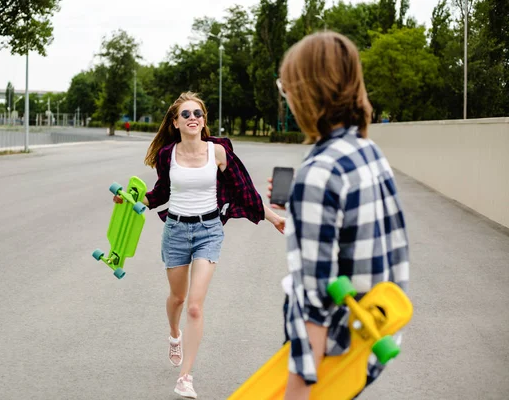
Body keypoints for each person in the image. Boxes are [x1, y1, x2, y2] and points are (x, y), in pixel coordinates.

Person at [114, 92, 285, 399]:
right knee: (178, 299)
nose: (193, 118)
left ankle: (185, 377)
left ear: (204, 120)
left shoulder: (218, 153)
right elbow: (159, 193)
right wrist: (131, 199)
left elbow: (244, 189)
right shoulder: (168, 155)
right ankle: (174, 335)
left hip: (209, 230)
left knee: (195, 305)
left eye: (198, 114)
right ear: (176, 122)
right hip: (176, 231)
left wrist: (273, 218)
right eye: (186, 114)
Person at [268, 32, 410, 399]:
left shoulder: (319, 176)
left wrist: (298, 390)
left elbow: (314, 308)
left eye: (286, 89)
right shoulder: (367, 150)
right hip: (375, 333)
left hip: (333, 355)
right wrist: (305, 198)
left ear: (305, 93)